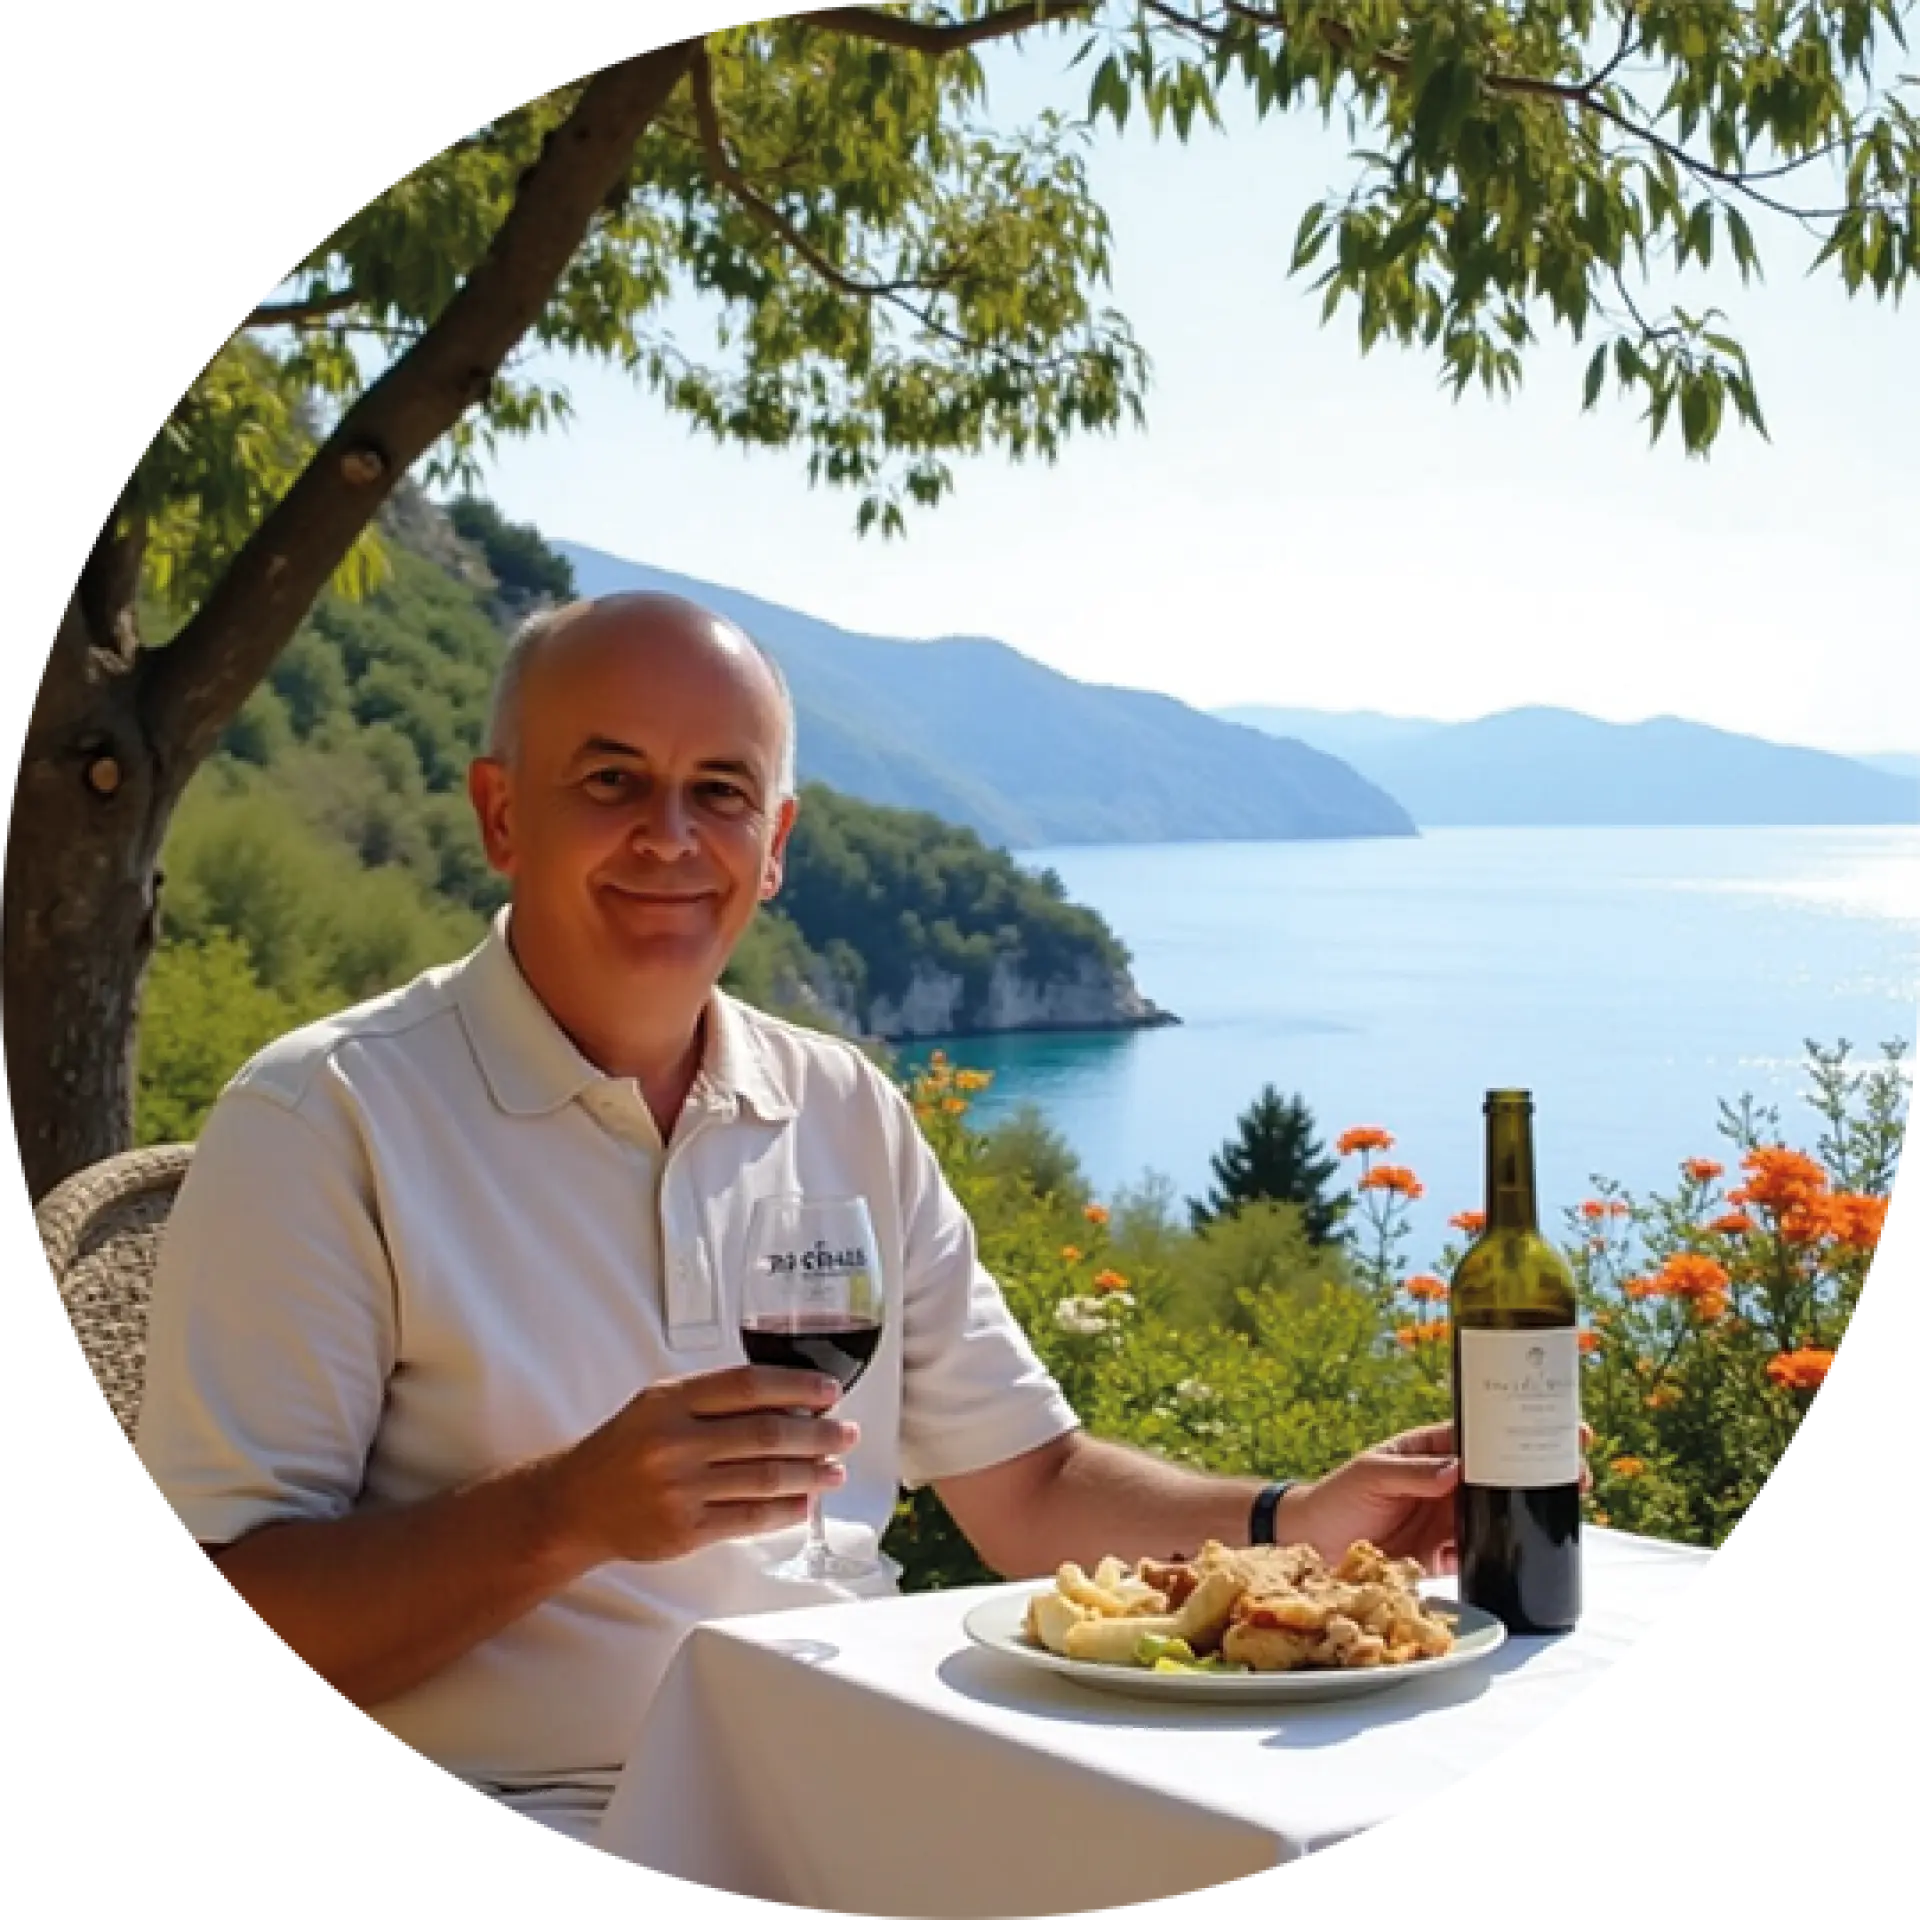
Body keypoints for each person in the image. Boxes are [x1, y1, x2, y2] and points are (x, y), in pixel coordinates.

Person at [134, 593, 1470, 1854]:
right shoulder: (326, 1120)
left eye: (720, 791)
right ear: (500, 813)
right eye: (610, 780)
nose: (670, 835)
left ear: (774, 844)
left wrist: (1296, 1521)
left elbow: (1030, 1487)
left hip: (868, 1781)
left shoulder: (841, 1106)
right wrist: (566, 1513)